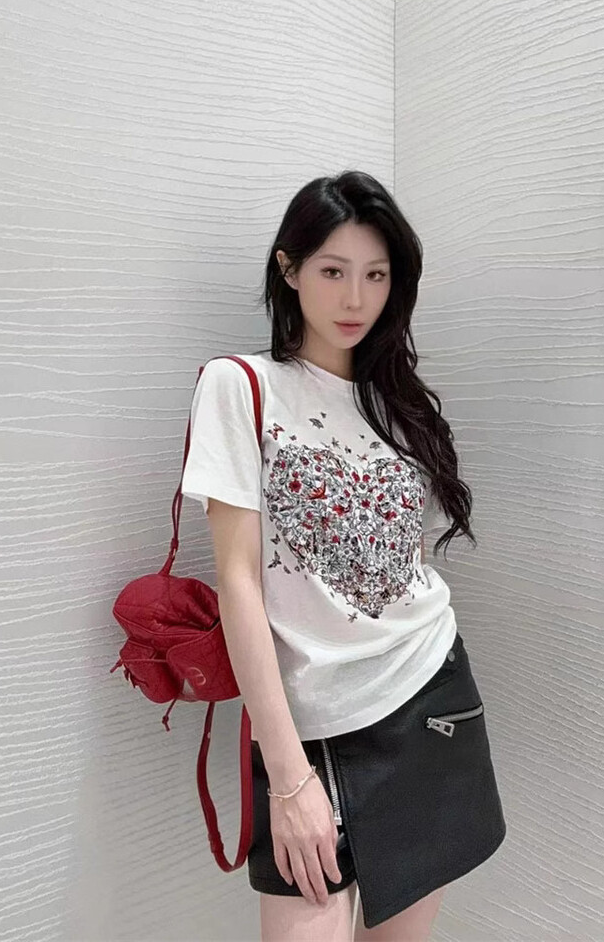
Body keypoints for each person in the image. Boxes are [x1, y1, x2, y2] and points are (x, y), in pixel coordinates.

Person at [180, 171, 506, 942]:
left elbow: (405, 563)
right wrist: (288, 777)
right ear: (289, 269)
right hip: (309, 729)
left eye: (376, 275)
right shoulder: (241, 386)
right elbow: (238, 582)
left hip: (430, 698)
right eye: (333, 271)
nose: (355, 298)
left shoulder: (402, 406)